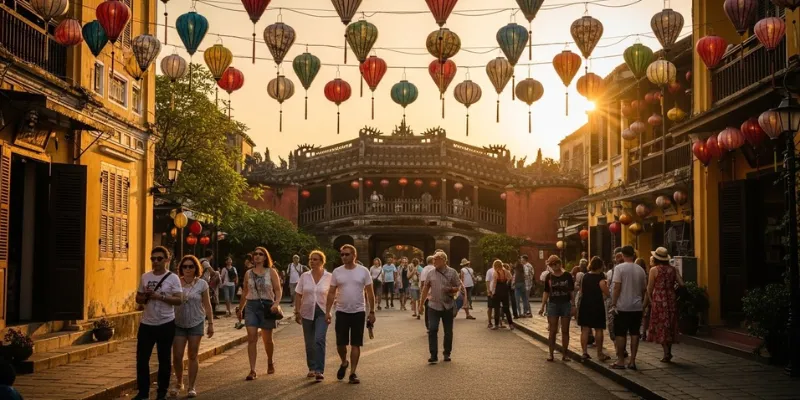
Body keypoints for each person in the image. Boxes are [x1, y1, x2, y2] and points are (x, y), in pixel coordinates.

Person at [134, 246, 183, 400]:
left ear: (166, 260)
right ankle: (143, 393)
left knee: (164, 359)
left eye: (159, 258)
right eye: (153, 259)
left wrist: (159, 296)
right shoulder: (145, 277)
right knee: (142, 359)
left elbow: (179, 300)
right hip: (147, 323)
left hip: (165, 323)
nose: (155, 261)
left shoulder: (173, 278)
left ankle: (161, 392)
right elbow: (138, 298)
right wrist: (144, 297)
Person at [325, 244, 376, 384]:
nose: (344, 257)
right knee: (340, 344)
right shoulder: (337, 272)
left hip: (358, 311)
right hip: (341, 311)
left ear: (354, 255)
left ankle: (353, 373)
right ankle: (344, 362)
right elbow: (331, 292)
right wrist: (327, 311)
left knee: (356, 343)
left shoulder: (363, 271)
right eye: (342, 254)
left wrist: (372, 311)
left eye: (347, 254)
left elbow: (370, 293)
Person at [171, 255, 215, 398]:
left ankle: (191, 386)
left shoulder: (202, 284)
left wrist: (211, 324)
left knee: (192, 354)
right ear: (181, 268)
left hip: (196, 321)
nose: (188, 269)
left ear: (196, 268)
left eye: (191, 266)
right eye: (185, 266)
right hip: (178, 322)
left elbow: (207, 305)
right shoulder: (176, 282)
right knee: (177, 355)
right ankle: (179, 382)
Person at [237, 247, 283, 380]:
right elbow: (245, 292)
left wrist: (276, 303)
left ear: (265, 257)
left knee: (267, 340)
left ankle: (270, 360)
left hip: (267, 306)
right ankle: (252, 370)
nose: (257, 256)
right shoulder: (248, 273)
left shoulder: (271, 272)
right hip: (251, 306)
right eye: (255, 254)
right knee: (251, 338)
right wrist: (240, 308)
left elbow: (278, 290)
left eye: (260, 254)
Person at [294, 250, 331, 382]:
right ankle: (312, 367)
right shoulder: (305, 276)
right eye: (311, 259)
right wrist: (297, 311)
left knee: (319, 339)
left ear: (322, 261)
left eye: (315, 259)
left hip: (322, 311)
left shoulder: (329, 277)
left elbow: (333, 295)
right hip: (307, 311)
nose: (312, 262)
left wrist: (329, 311)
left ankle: (319, 370)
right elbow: (298, 294)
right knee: (309, 342)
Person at [418, 251, 461, 363]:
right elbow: (425, 289)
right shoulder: (431, 273)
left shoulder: (452, 272)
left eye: (436, 259)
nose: (434, 261)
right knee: (432, 329)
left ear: (444, 260)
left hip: (448, 305)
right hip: (433, 305)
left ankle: (447, 353)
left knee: (448, 332)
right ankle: (433, 355)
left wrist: (452, 290)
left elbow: (458, 286)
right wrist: (421, 305)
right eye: (433, 259)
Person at [609, 246, 647, 370]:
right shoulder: (640, 270)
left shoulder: (619, 268)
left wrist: (613, 303)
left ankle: (621, 361)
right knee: (635, 333)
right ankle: (632, 361)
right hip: (637, 306)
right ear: (633, 255)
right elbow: (644, 289)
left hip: (622, 306)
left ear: (623, 255)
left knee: (620, 333)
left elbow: (616, 287)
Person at [644, 247, 684, 363]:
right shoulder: (673, 269)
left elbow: (649, 288)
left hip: (659, 300)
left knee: (661, 325)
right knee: (670, 325)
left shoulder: (654, 270)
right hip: (671, 299)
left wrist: (650, 301)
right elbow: (682, 284)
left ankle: (666, 352)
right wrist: (672, 289)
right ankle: (668, 351)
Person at [539, 255, 575, 362]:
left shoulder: (567, 275)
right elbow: (546, 292)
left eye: (555, 263)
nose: (554, 266)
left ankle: (565, 354)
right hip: (553, 304)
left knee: (565, 330)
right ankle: (551, 354)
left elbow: (571, 291)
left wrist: (573, 305)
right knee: (552, 330)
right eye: (551, 264)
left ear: (560, 263)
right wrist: (542, 306)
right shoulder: (549, 277)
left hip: (565, 304)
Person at [578, 257, 611, 362]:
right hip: (597, 304)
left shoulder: (585, 276)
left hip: (585, 304)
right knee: (598, 329)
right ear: (600, 266)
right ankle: (599, 353)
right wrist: (608, 294)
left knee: (585, 329)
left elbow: (581, 291)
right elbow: (606, 291)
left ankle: (584, 352)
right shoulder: (601, 277)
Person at [489, 260, 514, 330]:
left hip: (497, 291)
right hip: (505, 290)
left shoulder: (495, 273)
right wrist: (507, 282)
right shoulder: (506, 271)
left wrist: (492, 292)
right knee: (506, 308)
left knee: (496, 308)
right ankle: (511, 324)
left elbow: (494, 284)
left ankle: (496, 325)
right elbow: (511, 278)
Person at [200, 251, 220, 319]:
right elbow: (212, 272)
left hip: (200, 281)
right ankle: (208, 314)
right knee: (208, 298)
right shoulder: (205, 262)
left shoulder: (200, 260)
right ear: (211, 255)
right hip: (204, 282)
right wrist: (217, 272)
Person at [420, 255, 436, 330]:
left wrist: (422, 292)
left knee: (427, 310)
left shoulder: (424, 269)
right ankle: (433, 325)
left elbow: (422, 282)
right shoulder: (435, 269)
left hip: (426, 293)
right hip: (434, 292)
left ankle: (428, 325)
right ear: (432, 261)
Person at [485, 262, 496, 328]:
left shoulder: (501, 270)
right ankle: (489, 322)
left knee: (498, 307)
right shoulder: (490, 271)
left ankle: (498, 322)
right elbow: (487, 281)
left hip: (498, 291)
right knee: (490, 307)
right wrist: (488, 290)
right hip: (492, 291)